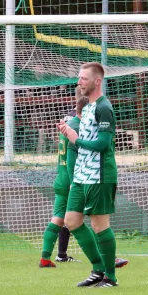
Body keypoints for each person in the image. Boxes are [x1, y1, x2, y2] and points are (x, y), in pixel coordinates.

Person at [58, 62, 119, 287]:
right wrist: (71, 133)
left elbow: (103, 144)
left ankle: (110, 277)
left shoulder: (104, 107)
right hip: (82, 175)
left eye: (83, 78)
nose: (79, 82)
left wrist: (75, 139)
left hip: (100, 175)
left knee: (99, 225)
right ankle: (97, 269)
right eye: (79, 78)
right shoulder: (89, 107)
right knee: (71, 221)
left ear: (97, 81)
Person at [40, 94, 89, 267]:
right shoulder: (78, 127)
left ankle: (46, 258)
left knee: (58, 218)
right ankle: (105, 257)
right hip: (72, 180)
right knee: (88, 218)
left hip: (61, 178)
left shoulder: (68, 126)